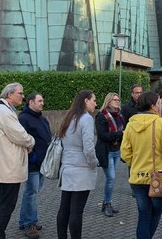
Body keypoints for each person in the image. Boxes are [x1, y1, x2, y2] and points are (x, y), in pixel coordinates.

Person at [0, 83, 35, 239]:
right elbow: (21, 136)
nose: (23, 96)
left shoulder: (1, 111)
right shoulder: (5, 113)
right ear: (9, 95)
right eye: (20, 93)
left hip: (4, 167)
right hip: (8, 168)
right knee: (6, 205)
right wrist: (31, 141)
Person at [121, 91, 162, 239]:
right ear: (153, 106)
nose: (159, 105)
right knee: (155, 214)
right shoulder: (161, 123)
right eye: (158, 103)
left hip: (137, 176)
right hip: (159, 175)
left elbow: (125, 153)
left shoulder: (131, 124)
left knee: (143, 216)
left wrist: (134, 163)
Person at [56, 90, 99, 239]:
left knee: (64, 207)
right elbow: (88, 147)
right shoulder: (86, 119)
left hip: (67, 167)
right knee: (76, 210)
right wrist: (94, 162)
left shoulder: (69, 117)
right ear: (86, 101)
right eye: (94, 100)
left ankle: (61, 236)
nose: (96, 103)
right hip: (81, 169)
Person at [18, 93, 51, 238]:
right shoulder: (23, 118)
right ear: (31, 102)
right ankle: (30, 223)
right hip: (32, 163)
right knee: (31, 193)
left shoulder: (43, 119)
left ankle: (24, 220)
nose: (42, 103)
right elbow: (22, 140)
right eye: (39, 101)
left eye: (42, 101)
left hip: (42, 163)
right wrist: (32, 156)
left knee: (31, 193)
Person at [95, 92, 125, 217]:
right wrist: (120, 133)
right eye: (114, 100)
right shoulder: (101, 116)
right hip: (106, 151)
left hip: (116, 150)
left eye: (118, 100)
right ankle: (107, 203)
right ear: (108, 102)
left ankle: (106, 203)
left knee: (111, 178)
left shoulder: (119, 115)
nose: (117, 102)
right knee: (111, 178)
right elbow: (103, 136)